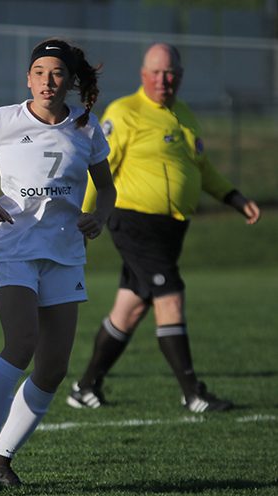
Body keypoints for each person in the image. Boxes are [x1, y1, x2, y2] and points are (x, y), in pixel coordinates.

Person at [0, 40, 115, 490]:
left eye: (56, 73)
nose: (47, 81)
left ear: (70, 81)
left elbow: (106, 188)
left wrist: (99, 217)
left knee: (53, 366)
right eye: (39, 72)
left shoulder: (87, 128)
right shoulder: (3, 120)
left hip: (65, 252)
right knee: (21, 343)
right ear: (27, 79)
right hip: (11, 248)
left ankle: (0, 460)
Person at [69, 43, 261, 413]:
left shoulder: (185, 115)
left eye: (170, 73)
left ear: (181, 77)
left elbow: (201, 169)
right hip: (134, 220)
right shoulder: (125, 112)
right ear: (143, 75)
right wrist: (84, 218)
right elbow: (99, 171)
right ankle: (193, 392)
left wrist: (234, 198)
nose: (163, 80)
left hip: (171, 229)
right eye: (156, 73)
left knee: (130, 308)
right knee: (170, 295)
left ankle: (85, 386)